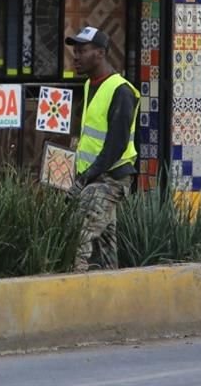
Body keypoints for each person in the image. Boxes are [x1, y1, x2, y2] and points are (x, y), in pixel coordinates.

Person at [65, 26, 140, 272]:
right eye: (74, 51)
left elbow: (115, 146)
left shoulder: (121, 90)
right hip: (95, 177)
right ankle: (113, 296)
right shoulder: (90, 85)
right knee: (105, 250)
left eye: (82, 51)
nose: (75, 57)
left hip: (111, 179)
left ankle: (73, 291)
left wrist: (86, 177)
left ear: (100, 53)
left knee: (77, 235)